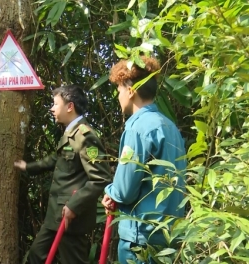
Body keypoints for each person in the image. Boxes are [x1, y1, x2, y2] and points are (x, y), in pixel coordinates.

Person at [101, 56, 186, 263]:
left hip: (141, 243)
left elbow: (125, 191)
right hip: (170, 239)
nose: (118, 95)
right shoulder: (169, 127)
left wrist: (110, 192)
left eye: (119, 89)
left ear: (131, 91)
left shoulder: (137, 128)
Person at [14, 85, 112, 264]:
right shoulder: (70, 132)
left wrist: (74, 206)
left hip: (71, 217)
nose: (52, 108)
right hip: (56, 215)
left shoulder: (85, 136)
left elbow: (101, 178)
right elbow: (57, 160)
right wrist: (28, 167)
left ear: (70, 106)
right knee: (36, 256)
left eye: (55, 103)